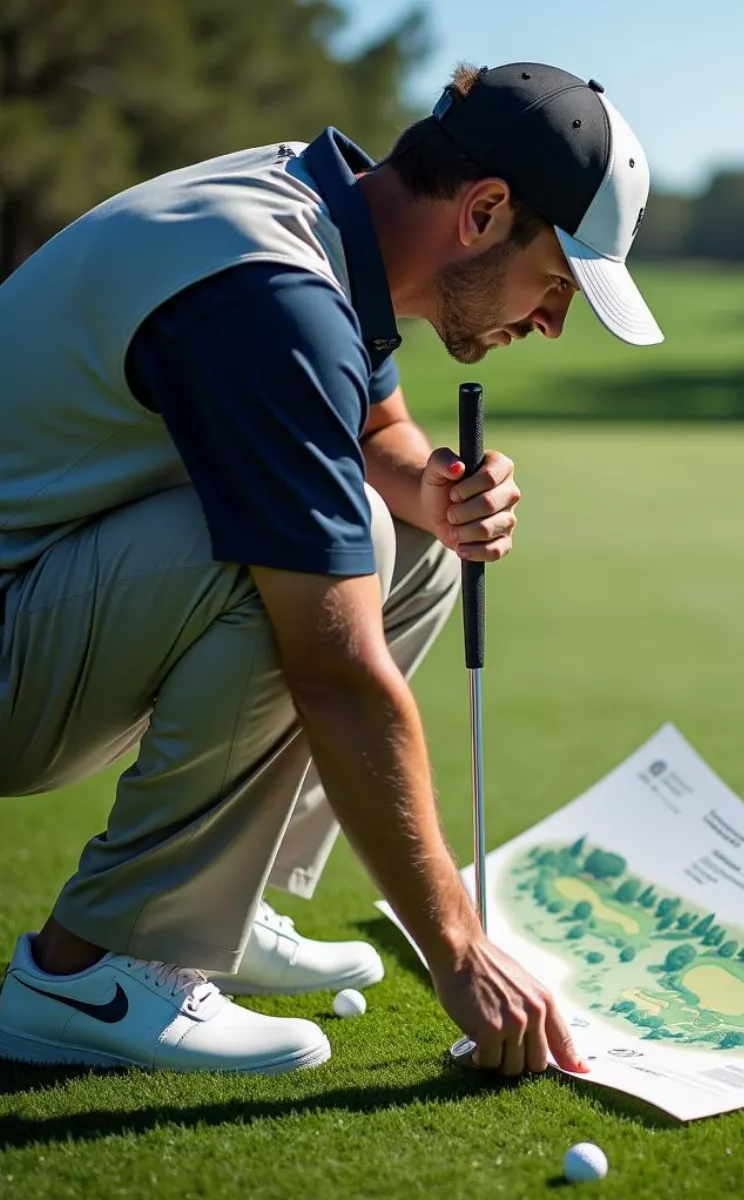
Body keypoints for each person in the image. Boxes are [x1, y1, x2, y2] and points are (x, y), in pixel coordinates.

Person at [0, 61, 662, 1077]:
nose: (552, 322)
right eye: (560, 282)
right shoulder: (277, 300)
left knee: (406, 546)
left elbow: (374, 428)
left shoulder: (324, 211)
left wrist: (433, 490)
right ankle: (91, 971)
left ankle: (218, 897)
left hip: (32, 600)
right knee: (305, 558)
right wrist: (458, 945)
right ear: (485, 212)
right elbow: (336, 671)